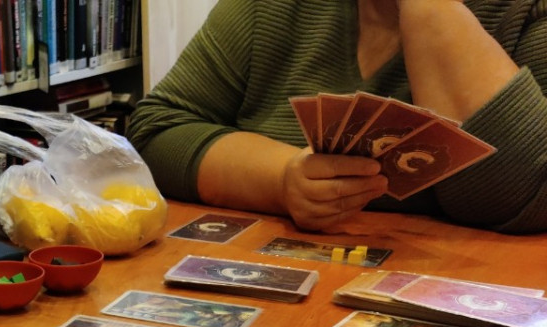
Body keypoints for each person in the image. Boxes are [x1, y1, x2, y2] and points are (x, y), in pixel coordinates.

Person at [126, 0, 547, 234]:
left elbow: (525, 201)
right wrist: (284, 181)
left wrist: (427, 6)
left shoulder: (528, 12)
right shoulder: (268, 7)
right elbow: (158, 131)